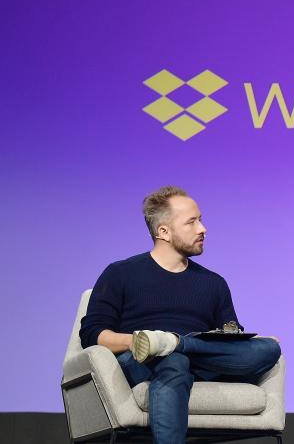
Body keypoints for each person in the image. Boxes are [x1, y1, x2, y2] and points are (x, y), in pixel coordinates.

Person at [79, 186, 281, 444]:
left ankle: (175, 343)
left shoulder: (213, 283)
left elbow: (230, 339)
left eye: (201, 219)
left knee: (268, 349)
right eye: (192, 222)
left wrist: (183, 343)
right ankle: (166, 346)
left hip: (202, 362)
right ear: (163, 231)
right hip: (142, 361)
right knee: (174, 362)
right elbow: (93, 335)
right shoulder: (120, 273)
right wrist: (140, 341)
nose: (203, 228)